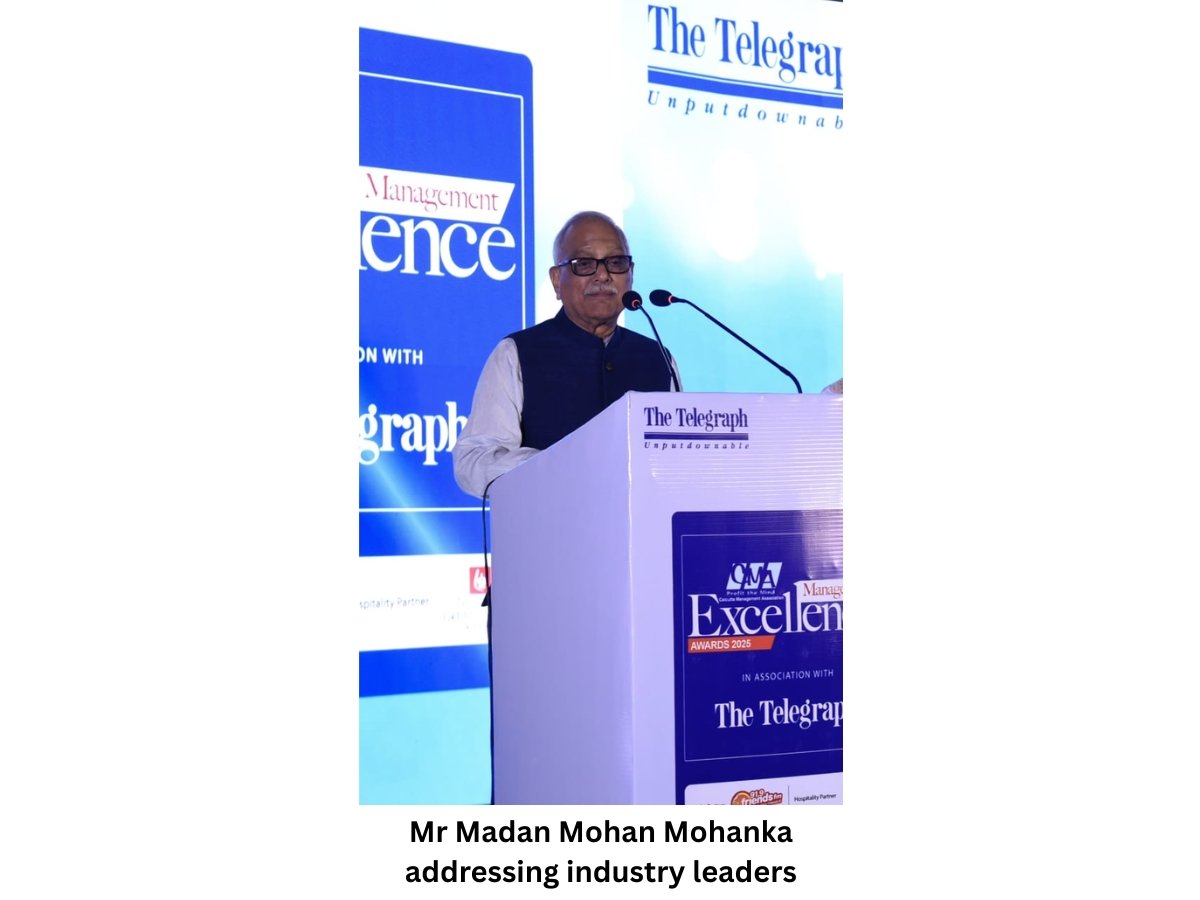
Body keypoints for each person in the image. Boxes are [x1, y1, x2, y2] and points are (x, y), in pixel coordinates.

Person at [453, 210, 681, 498]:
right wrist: (559, 465)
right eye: (584, 264)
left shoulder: (658, 358)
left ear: (631, 274)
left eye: (616, 263)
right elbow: (474, 461)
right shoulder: (516, 354)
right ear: (556, 280)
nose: (603, 275)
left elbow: (679, 457)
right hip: (548, 523)